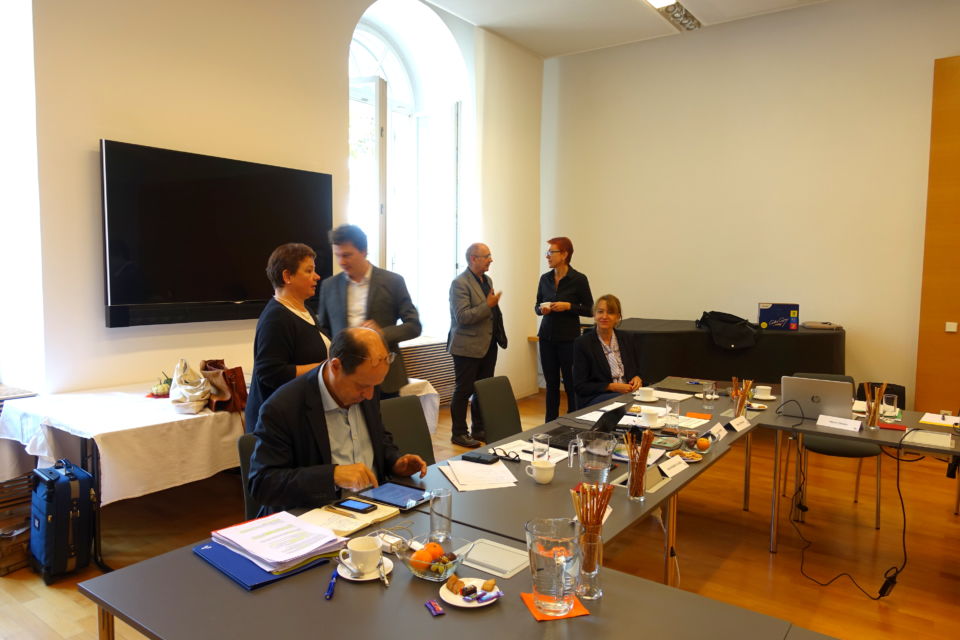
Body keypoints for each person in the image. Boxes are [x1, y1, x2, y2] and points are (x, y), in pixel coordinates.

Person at [248, 327, 428, 515]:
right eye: (362, 386)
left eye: (375, 385)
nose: (369, 395)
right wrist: (332, 476)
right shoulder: (283, 407)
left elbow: (378, 437)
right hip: (321, 515)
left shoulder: (367, 384)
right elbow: (262, 483)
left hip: (375, 505)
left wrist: (395, 462)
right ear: (335, 366)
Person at [317, 224, 421, 400]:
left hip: (385, 377)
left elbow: (414, 326)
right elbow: (323, 330)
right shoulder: (329, 286)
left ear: (364, 251)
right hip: (344, 378)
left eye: (347, 255)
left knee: (386, 419)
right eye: (337, 255)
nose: (341, 262)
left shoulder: (393, 282)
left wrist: (381, 334)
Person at [245, 243, 328, 432]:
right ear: (287, 276)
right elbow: (270, 373)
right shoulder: (276, 317)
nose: (317, 276)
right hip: (276, 424)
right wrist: (324, 368)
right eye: (309, 271)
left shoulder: (305, 311)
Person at [447, 243, 508, 448]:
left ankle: (479, 429)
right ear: (473, 258)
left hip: (487, 345)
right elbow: (463, 317)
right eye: (487, 256)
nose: (491, 259)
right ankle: (459, 433)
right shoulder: (459, 283)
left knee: (482, 390)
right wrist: (487, 305)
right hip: (466, 346)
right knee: (464, 390)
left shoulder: (487, 280)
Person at [535, 236, 593, 422]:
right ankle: (549, 424)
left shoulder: (579, 279)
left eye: (551, 252)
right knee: (551, 384)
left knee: (571, 383)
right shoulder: (545, 279)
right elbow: (537, 306)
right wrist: (542, 310)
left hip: (569, 339)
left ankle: (573, 422)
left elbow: (590, 309)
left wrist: (569, 306)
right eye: (547, 252)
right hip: (546, 338)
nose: (547, 256)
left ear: (564, 254)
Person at [573, 294, 642, 408]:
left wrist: (637, 378)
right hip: (597, 396)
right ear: (594, 315)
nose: (604, 316)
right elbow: (580, 386)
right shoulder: (582, 343)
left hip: (629, 393)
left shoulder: (627, 338)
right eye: (600, 312)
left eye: (610, 312)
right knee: (625, 401)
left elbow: (637, 370)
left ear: (618, 317)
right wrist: (611, 386)